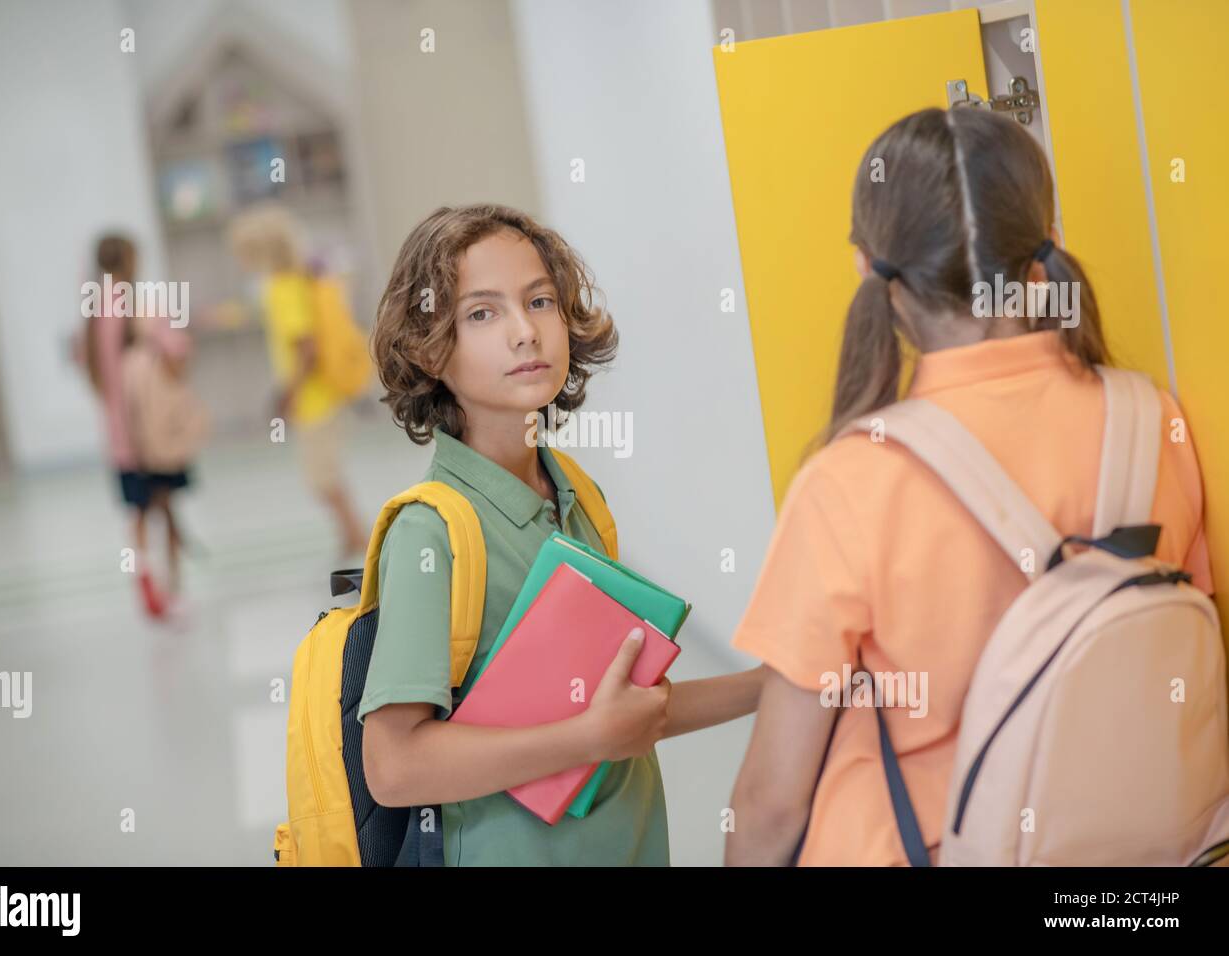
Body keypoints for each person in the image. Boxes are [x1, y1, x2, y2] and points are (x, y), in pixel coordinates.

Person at [725, 107, 1214, 866]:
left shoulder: (849, 482)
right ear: (1041, 253)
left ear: (869, 269)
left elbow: (770, 803)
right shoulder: (1153, 423)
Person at [358, 204, 765, 865]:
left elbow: (630, 715)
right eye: (482, 313)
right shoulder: (430, 534)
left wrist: (775, 686)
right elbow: (395, 766)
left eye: (539, 300)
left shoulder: (576, 494)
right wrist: (586, 738)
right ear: (430, 348)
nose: (525, 332)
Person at [228, 206, 368, 560]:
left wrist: (287, 394)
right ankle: (351, 536)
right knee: (327, 475)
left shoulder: (280, 289)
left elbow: (306, 349)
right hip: (325, 395)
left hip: (314, 399)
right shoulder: (299, 278)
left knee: (322, 479)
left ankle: (362, 540)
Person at [82, 234, 196, 619]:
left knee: (138, 515)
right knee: (167, 507)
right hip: (155, 432)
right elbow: (178, 350)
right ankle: (175, 589)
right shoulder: (141, 306)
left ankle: (145, 586)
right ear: (130, 259)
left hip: (122, 437)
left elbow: (95, 375)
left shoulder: (94, 313)